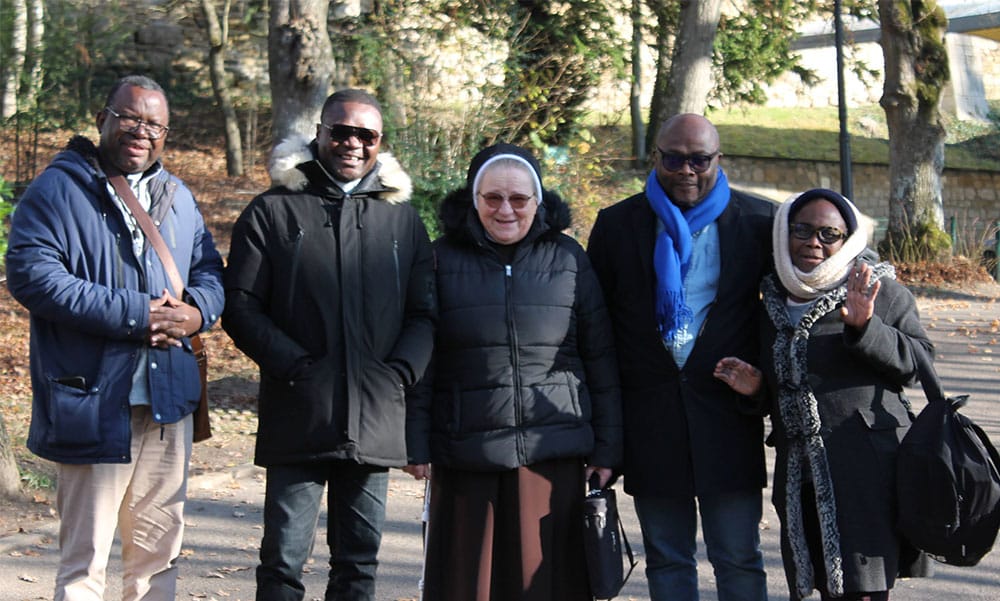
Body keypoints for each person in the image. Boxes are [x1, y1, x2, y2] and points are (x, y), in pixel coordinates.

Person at [5, 74, 225, 600]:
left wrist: (195, 315)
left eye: (154, 123)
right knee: (84, 564)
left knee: (157, 560)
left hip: (168, 400)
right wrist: (136, 313)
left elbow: (211, 273)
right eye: (130, 117)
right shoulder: (58, 188)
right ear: (103, 118)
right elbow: (33, 275)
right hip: (94, 398)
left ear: (166, 134)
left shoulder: (177, 195)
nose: (141, 131)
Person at [222, 88, 436, 601]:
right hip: (300, 409)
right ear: (319, 132)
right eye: (341, 131)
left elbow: (425, 314)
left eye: (366, 135)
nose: (352, 144)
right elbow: (241, 305)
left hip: (375, 416)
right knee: (281, 565)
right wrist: (293, 365)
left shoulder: (403, 222)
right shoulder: (272, 211)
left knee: (359, 565)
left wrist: (399, 374)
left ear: (380, 143)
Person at [403, 143, 623, 601]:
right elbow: (426, 361)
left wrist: (608, 447)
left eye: (519, 199)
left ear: (538, 202)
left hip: (553, 455)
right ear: (473, 199)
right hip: (467, 451)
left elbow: (600, 358)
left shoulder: (568, 259)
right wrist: (415, 441)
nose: (506, 210)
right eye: (492, 198)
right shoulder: (439, 259)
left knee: (546, 586)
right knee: (470, 587)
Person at [586, 113, 774, 601]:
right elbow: (596, 330)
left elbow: (784, 320)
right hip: (651, 422)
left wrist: (763, 388)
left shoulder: (760, 224)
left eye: (699, 160)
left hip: (727, 420)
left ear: (718, 159)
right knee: (667, 561)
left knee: (738, 559)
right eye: (673, 158)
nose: (686, 170)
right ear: (656, 158)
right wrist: (605, 437)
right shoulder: (617, 225)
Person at [714, 188, 932, 601]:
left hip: (866, 472)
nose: (813, 242)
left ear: (847, 239)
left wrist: (867, 327)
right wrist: (758, 389)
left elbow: (918, 363)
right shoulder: (771, 300)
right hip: (801, 477)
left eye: (829, 234)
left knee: (863, 590)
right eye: (802, 230)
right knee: (816, 582)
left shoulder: (873, 287)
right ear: (784, 235)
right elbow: (789, 387)